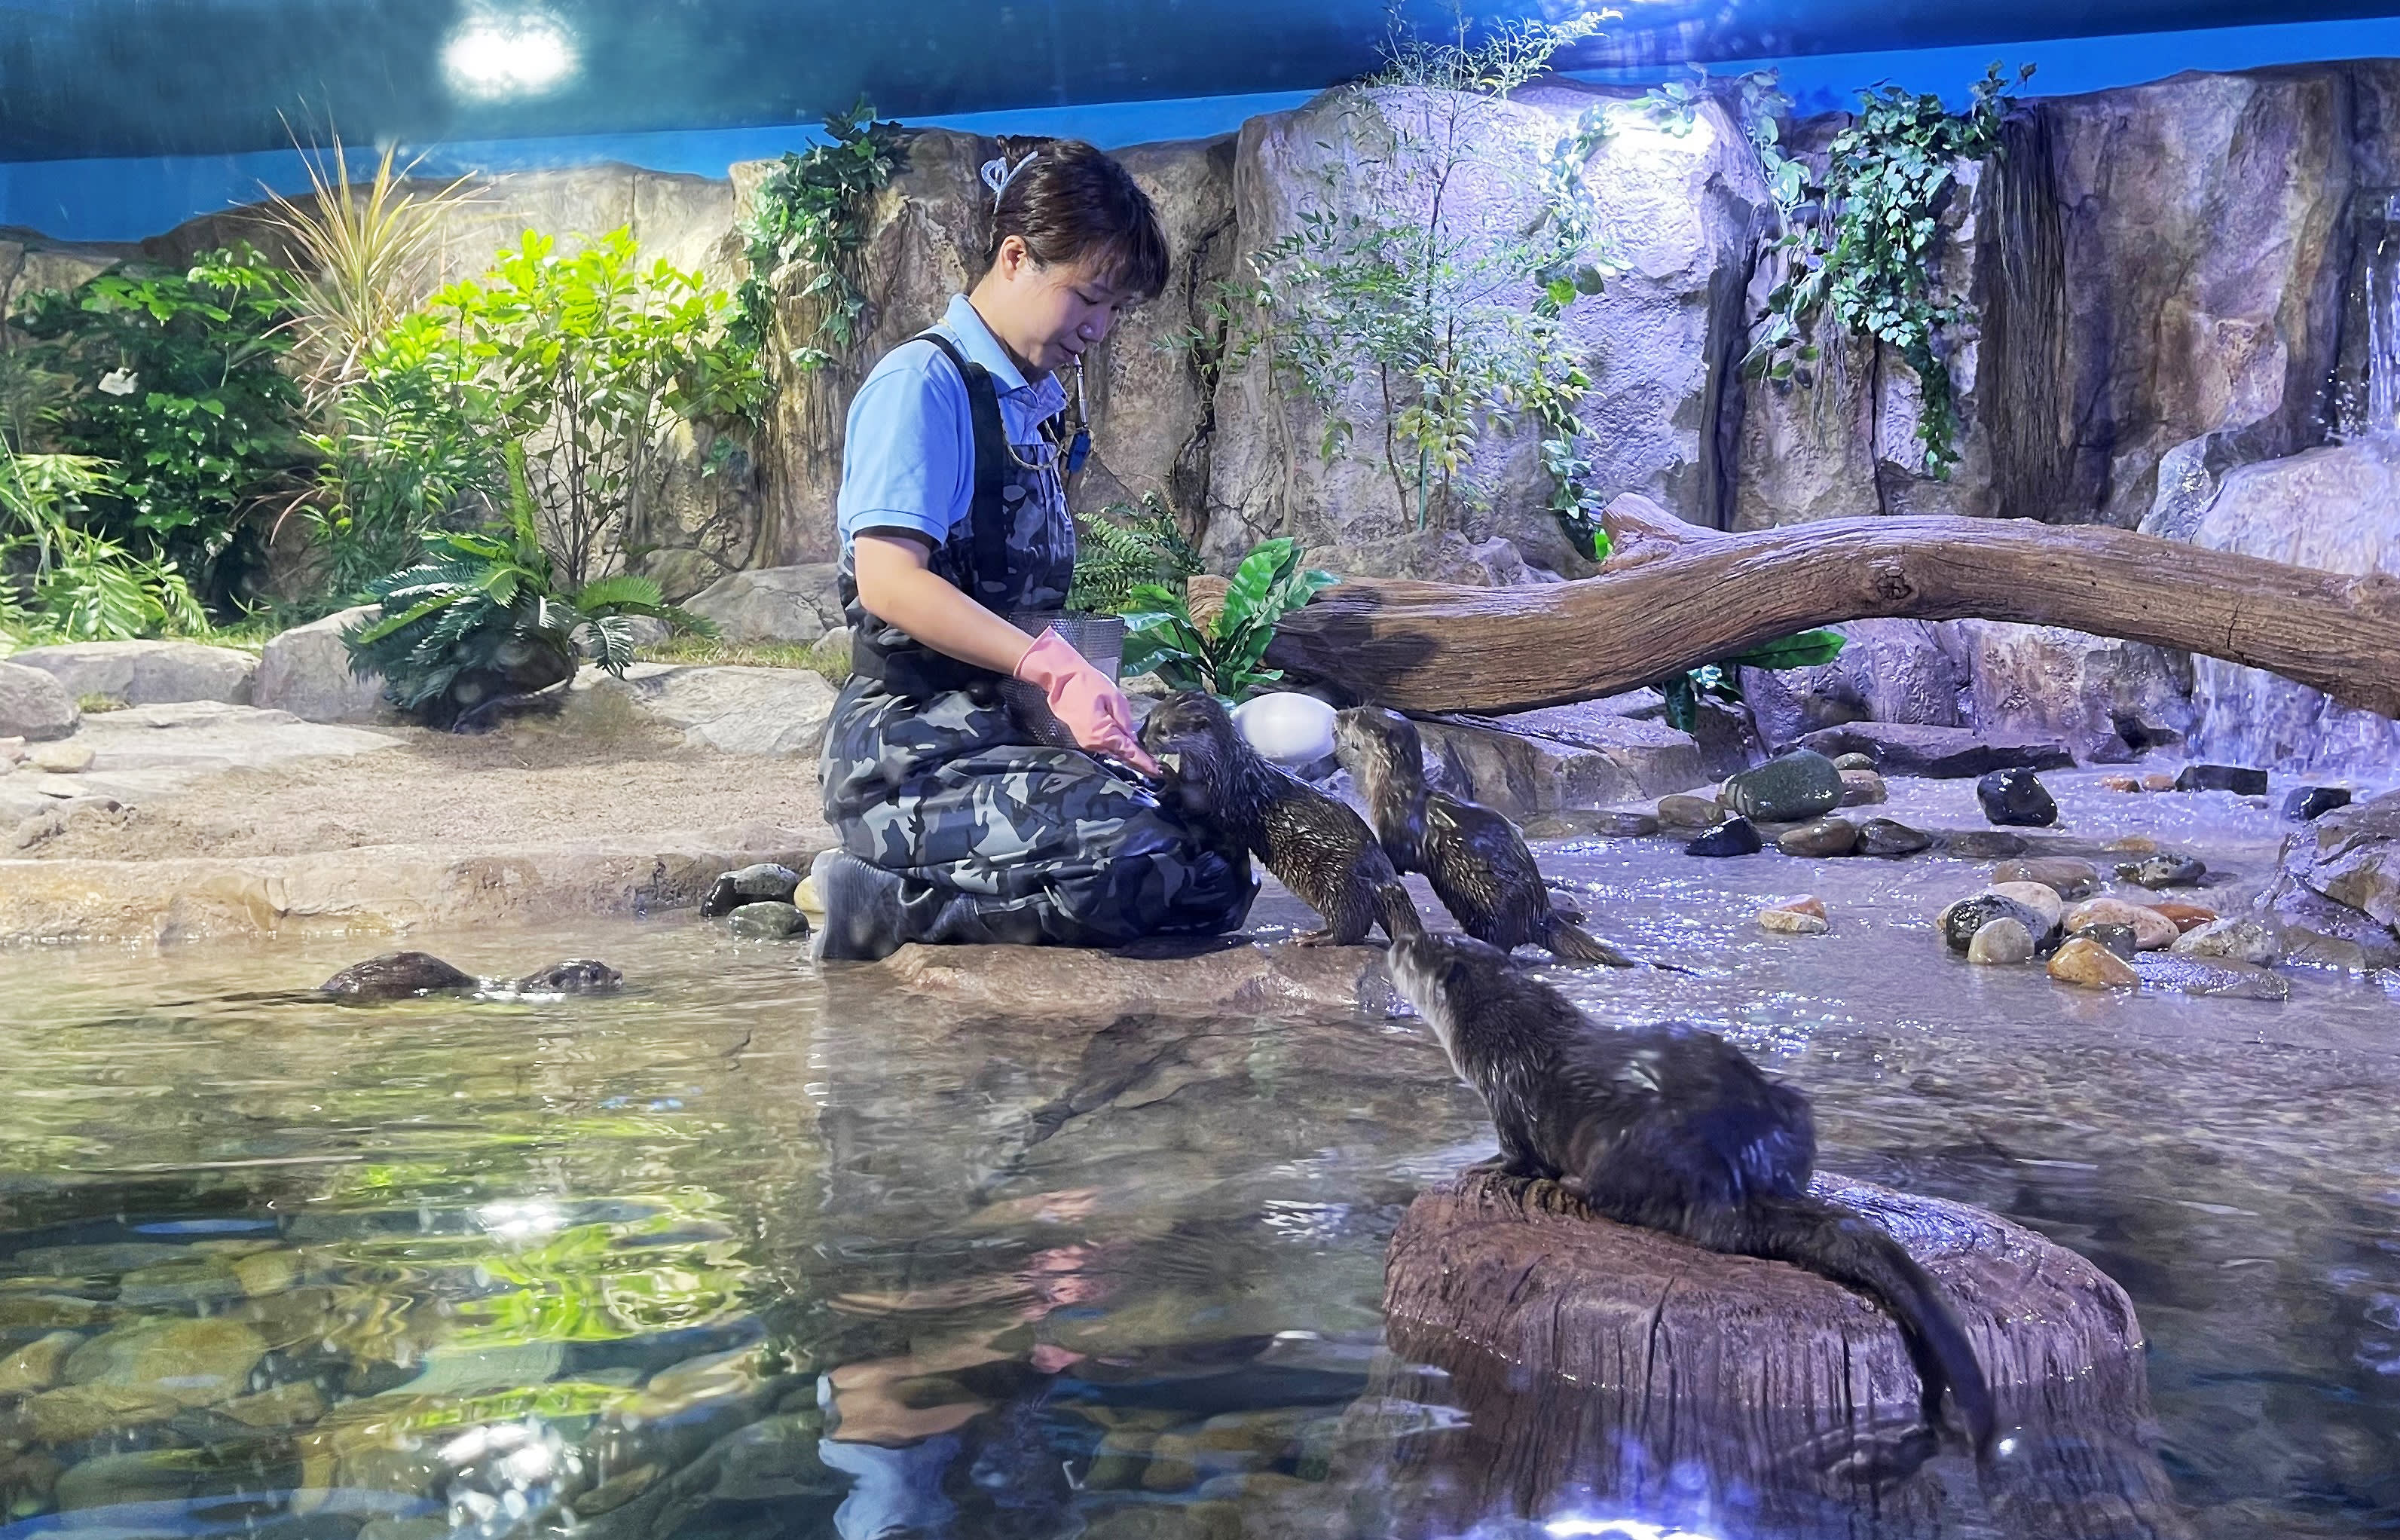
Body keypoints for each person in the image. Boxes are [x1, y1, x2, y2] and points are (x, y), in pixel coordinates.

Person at [810, 139, 1255, 961]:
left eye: (1115, 310)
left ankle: (951, 885)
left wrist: (1082, 705)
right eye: (1087, 297)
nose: (1098, 328)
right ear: (1015, 257)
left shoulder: (1027, 403)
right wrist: (1051, 668)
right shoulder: (922, 387)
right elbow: (888, 582)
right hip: (908, 754)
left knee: (1216, 857)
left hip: (1002, 732)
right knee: (1136, 859)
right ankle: (880, 898)